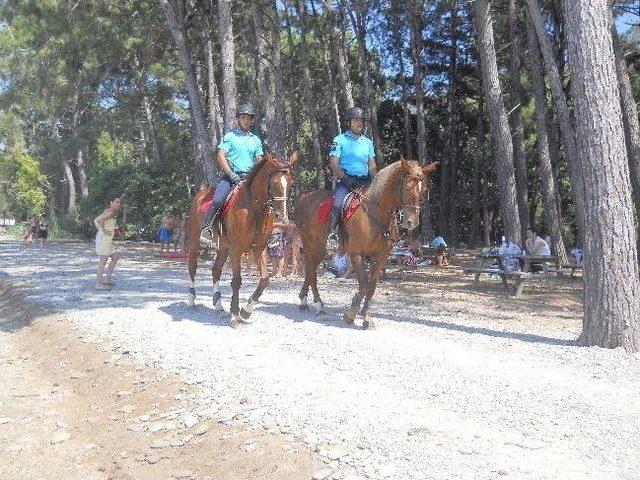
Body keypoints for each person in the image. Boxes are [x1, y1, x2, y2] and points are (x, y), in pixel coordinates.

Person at [203, 103, 264, 228]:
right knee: (218, 200)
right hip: (231, 177)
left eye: (249, 118)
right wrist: (230, 174)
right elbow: (220, 156)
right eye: (243, 117)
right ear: (238, 119)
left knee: (268, 198)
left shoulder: (256, 140)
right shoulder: (230, 137)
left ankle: (271, 232)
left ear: (252, 121)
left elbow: (259, 159)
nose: (246, 121)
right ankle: (207, 229)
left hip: (250, 178)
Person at [327, 107, 377, 242]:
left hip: (365, 182)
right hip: (346, 181)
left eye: (361, 120)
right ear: (349, 122)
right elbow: (334, 163)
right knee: (337, 204)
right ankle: (332, 234)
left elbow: (372, 166)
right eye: (355, 120)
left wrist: (377, 180)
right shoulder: (339, 140)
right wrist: (345, 179)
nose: (359, 123)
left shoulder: (368, 143)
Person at [94, 197, 122, 290]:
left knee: (115, 256)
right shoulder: (111, 212)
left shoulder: (108, 211)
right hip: (104, 240)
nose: (118, 204)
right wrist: (104, 231)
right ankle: (98, 284)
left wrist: (102, 231)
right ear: (111, 202)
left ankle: (107, 279)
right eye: (116, 202)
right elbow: (100, 221)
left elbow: (96, 220)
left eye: (119, 203)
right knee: (103, 262)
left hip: (106, 239)